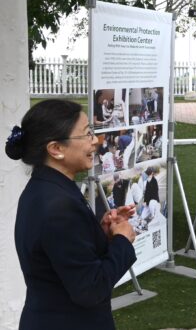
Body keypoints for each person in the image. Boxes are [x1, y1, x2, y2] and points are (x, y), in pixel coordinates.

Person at [7, 99, 137, 330]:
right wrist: (122, 241)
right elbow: (91, 289)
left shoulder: (45, 189)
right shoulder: (59, 206)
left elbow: (62, 256)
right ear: (56, 149)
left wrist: (101, 233)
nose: (95, 141)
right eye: (86, 134)